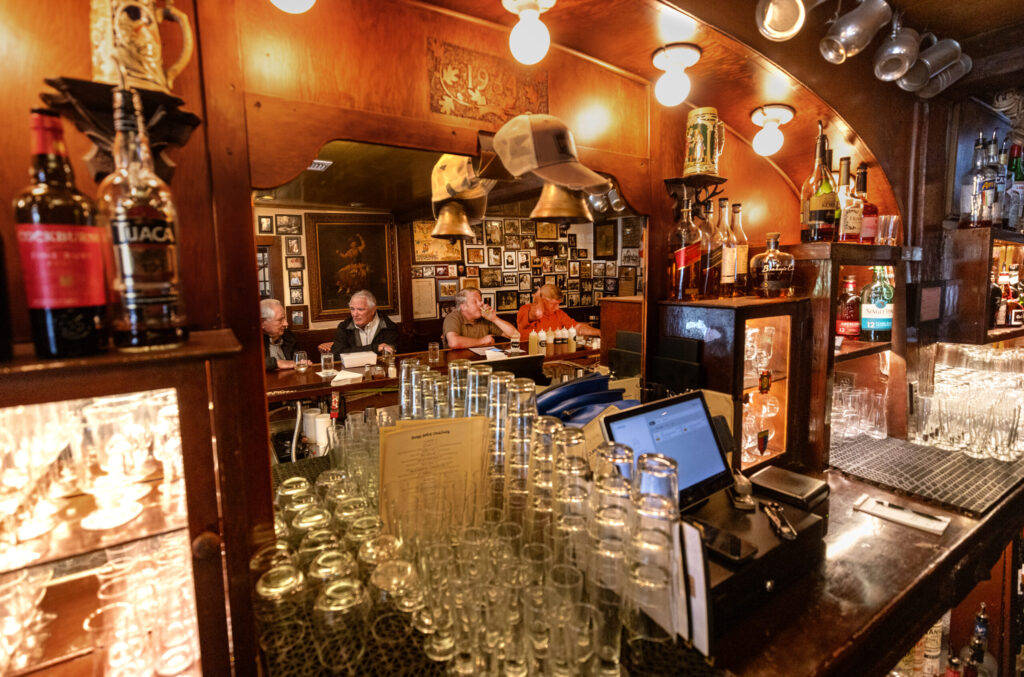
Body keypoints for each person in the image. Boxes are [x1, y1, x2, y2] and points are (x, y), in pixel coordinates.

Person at [317, 289, 399, 355]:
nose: (354, 314)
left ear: (373, 310)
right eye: (352, 309)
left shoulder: (388, 327)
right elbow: (337, 354)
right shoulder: (344, 327)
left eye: (360, 309)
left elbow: (390, 354)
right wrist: (375, 348)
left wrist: (352, 351)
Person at [443, 287, 517, 349]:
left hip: (481, 362)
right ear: (463, 307)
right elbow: (453, 343)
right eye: (475, 301)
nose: (481, 303)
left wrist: (494, 319)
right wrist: (482, 341)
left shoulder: (485, 318)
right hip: (459, 364)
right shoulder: (453, 317)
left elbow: (516, 335)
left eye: (480, 300)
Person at [517, 284, 600, 337]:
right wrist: (538, 297)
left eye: (558, 304)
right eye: (553, 304)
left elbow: (578, 328)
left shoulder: (558, 313)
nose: (557, 308)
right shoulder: (525, 309)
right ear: (543, 301)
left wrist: (600, 333)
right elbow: (537, 314)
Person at [261, 298, 308, 371]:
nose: (286, 324)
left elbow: (299, 360)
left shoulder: (287, 335)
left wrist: (303, 362)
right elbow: (250, 364)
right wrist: (276, 363)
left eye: (285, 319)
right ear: (262, 322)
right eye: (280, 320)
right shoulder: (253, 341)